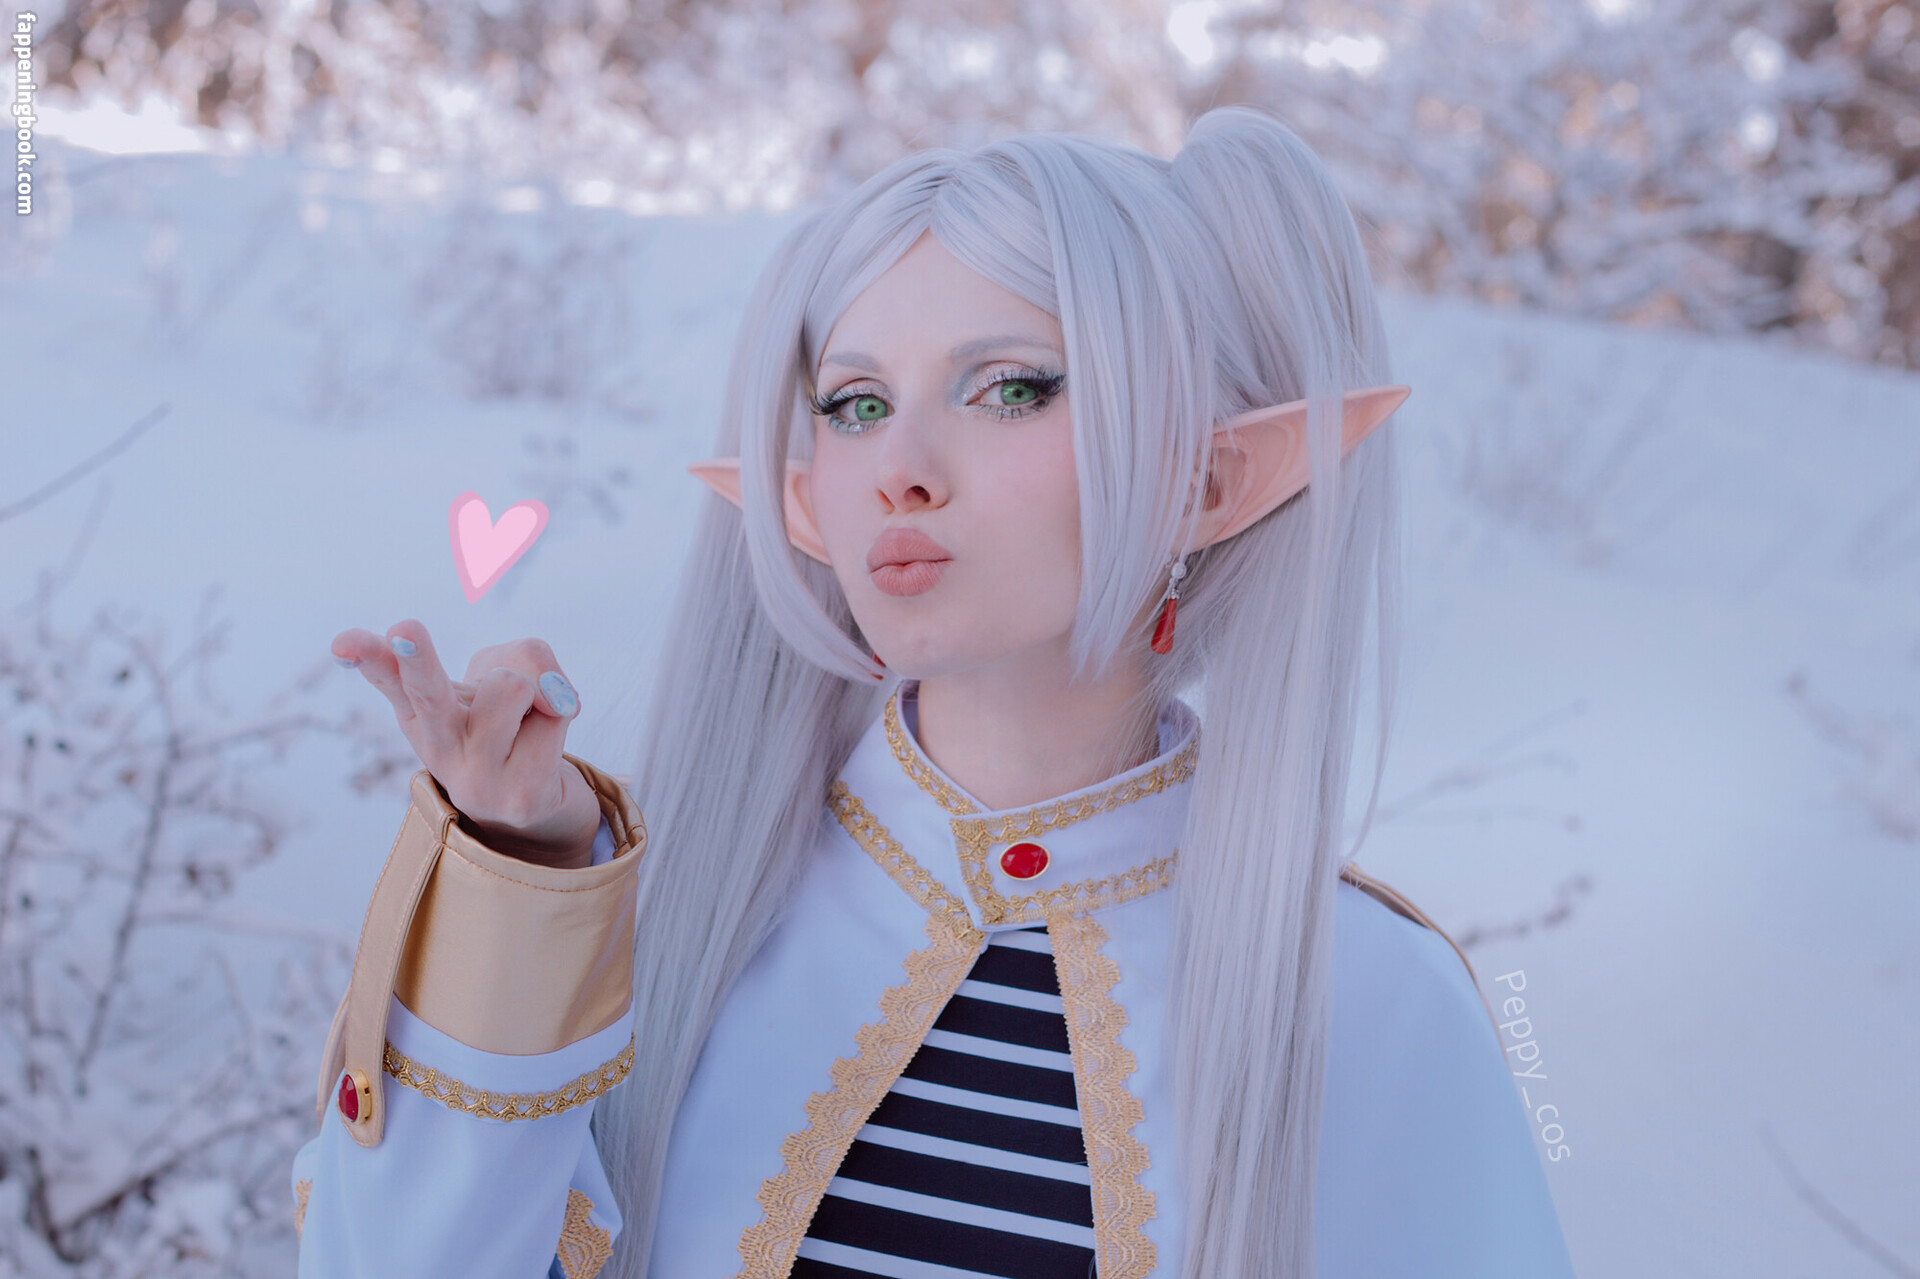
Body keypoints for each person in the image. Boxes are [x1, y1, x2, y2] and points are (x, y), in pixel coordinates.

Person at [295, 107, 1577, 1279]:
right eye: (855, 404)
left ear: (1203, 478)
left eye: (1010, 387)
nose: (898, 467)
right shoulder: (659, 918)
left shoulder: (1370, 997)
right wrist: (515, 883)